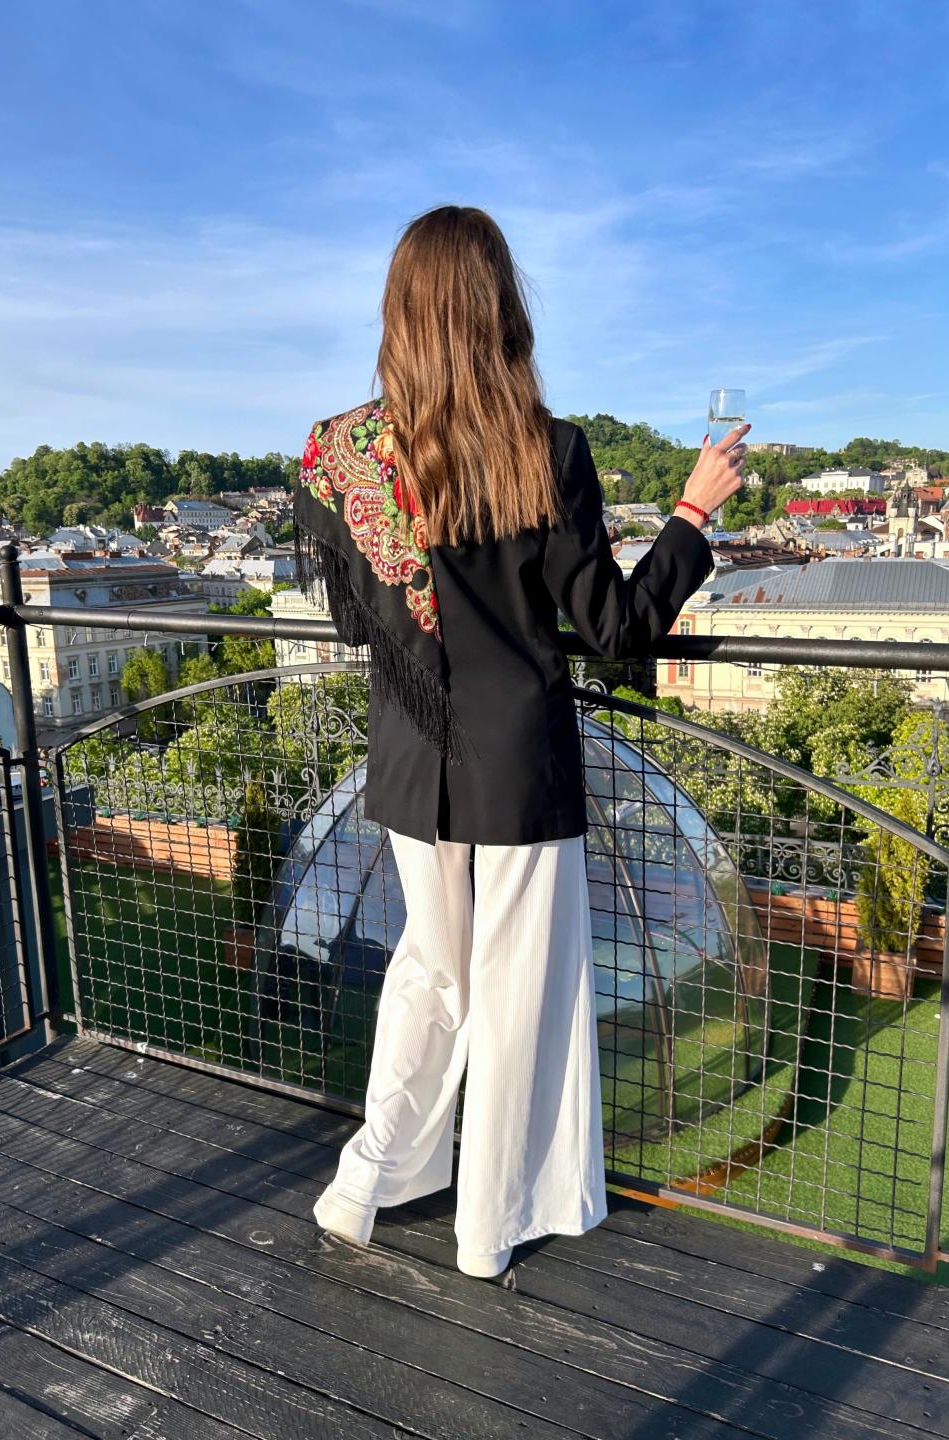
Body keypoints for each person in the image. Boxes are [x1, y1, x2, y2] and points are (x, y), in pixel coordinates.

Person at [294, 204, 748, 1280]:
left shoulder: (342, 452)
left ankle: (364, 1186)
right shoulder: (544, 448)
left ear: (401, 310)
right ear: (498, 305)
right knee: (514, 995)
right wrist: (690, 517)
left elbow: (359, 622)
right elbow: (616, 628)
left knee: (429, 973)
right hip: (518, 766)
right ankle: (486, 1227)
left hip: (411, 760)